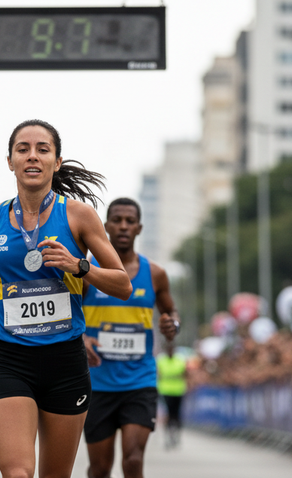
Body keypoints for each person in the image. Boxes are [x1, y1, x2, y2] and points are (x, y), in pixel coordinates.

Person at [0, 119, 133, 478]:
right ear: (10, 161)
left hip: (65, 361)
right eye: (23, 149)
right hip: (10, 358)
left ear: (56, 162)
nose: (32, 156)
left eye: (42, 149)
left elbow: (122, 284)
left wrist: (78, 266)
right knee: (17, 473)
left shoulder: (78, 216)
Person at [82, 197, 179, 478]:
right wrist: (82, 340)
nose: (123, 226)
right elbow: (69, 316)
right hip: (97, 383)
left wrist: (172, 323)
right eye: (117, 220)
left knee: (133, 460)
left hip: (139, 381)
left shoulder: (156, 274)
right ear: (105, 226)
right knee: (99, 468)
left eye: (130, 221)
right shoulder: (88, 272)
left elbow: (171, 311)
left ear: (139, 228)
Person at [156, 340, 187, 449]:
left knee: (177, 415)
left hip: (178, 391)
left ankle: (177, 436)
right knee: (167, 415)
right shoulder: (161, 360)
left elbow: (185, 374)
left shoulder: (180, 360)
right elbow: (158, 374)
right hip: (165, 391)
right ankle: (168, 437)